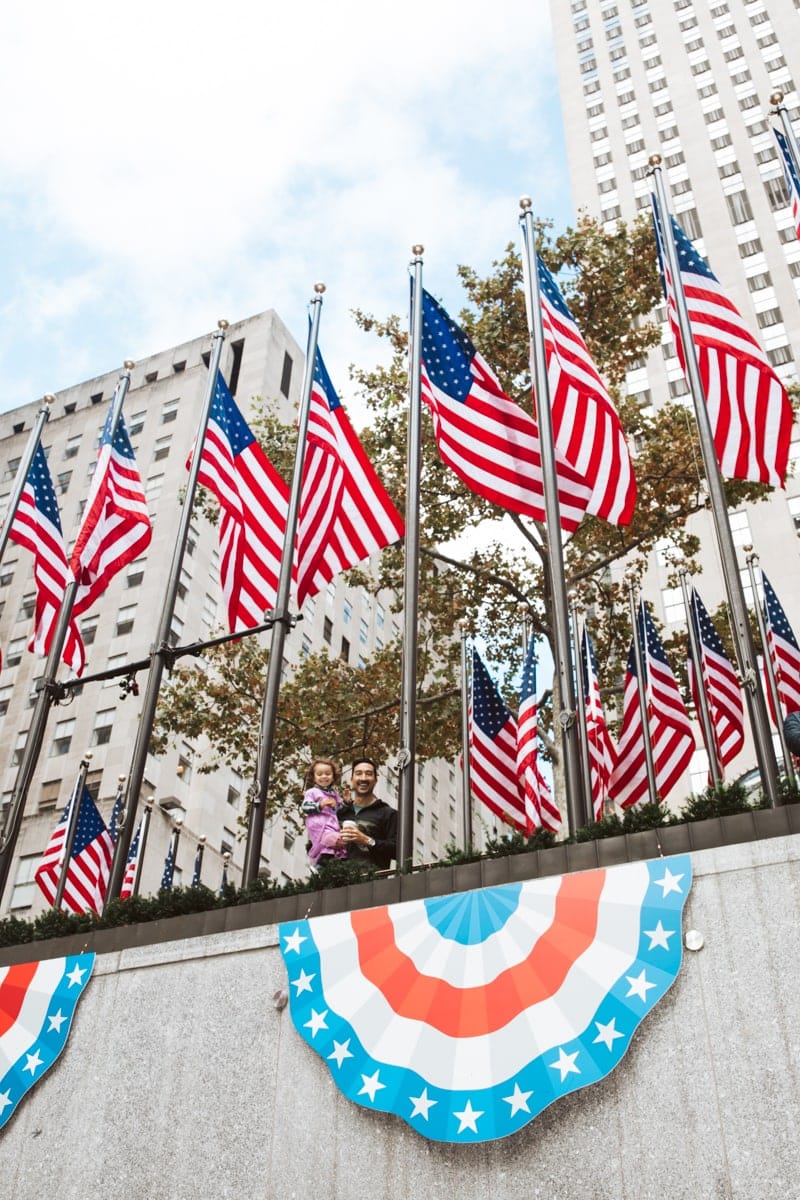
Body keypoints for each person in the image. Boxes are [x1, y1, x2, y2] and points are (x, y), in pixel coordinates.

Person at [335, 757, 397, 869]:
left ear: (375, 780)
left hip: (372, 883)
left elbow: (398, 850)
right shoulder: (340, 812)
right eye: (359, 773)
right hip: (336, 882)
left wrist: (367, 840)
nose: (363, 778)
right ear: (352, 779)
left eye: (368, 774)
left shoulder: (388, 814)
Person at [301, 758, 347, 868]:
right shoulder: (312, 792)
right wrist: (320, 805)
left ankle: (327, 867)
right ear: (314, 777)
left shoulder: (334, 793)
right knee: (331, 840)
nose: (324, 777)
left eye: (328, 774)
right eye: (319, 774)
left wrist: (346, 801)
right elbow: (305, 806)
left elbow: (339, 809)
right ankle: (318, 866)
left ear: (333, 776)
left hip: (331, 824)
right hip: (319, 824)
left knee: (337, 844)